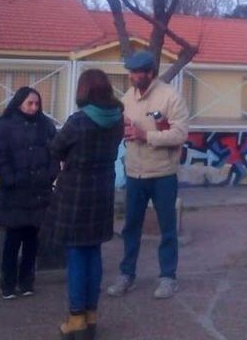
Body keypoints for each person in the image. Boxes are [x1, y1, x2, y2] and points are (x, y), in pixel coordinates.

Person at [45, 69, 124, 340]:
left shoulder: (79, 121)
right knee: (94, 253)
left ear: (84, 90)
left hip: (76, 194)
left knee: (77, 255)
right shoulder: (117, 119)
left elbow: (56, 148)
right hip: (102, 192)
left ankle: (76, 319)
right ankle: (91, 316)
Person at [106, 50, 189, 300]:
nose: (131, 76)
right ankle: (127, 275)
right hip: (134, 172)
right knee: (131, 226)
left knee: (167, 228)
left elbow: (180, 134)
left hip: (163, 173)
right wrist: (123, 129)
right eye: (130, 72)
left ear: (149, 73)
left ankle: (167, 277)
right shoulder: (128, 97)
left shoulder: (170, 97)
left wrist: (146, 136)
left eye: (136, 72)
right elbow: (122, 123)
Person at [0, 86, 57, 300]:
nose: (33, 107)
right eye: (29, 103)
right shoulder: (4, 125)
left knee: (32, 240)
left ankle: (27, 281)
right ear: (19, 102)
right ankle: (8, 284)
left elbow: (55, 152)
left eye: (37, 103)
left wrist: (49, 175)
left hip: (39, 190)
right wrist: (9, 179)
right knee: (12, 239)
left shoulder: (45, 124)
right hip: (15, 192)